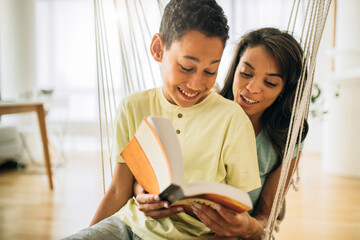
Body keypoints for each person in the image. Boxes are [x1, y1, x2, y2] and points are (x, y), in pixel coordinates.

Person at [63, 1, 260, 239]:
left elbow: (234, 217)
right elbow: (118, 190)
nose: (197, 84)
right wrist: (89, 233)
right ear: (158, 48)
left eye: (210, 71)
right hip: (128, 225)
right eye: (187, 67)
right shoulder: (133, 106)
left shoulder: (232, 119)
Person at [134, 27, 308, 240]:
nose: (252, 88)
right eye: (245, 73)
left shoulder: (286, 142)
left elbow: (266, 218)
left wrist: (248, 227)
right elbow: (156, 172)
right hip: (168, 228)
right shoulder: (198, 104)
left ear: (283, 91)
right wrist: (142, 190)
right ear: (234, 70)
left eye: (270, 83)